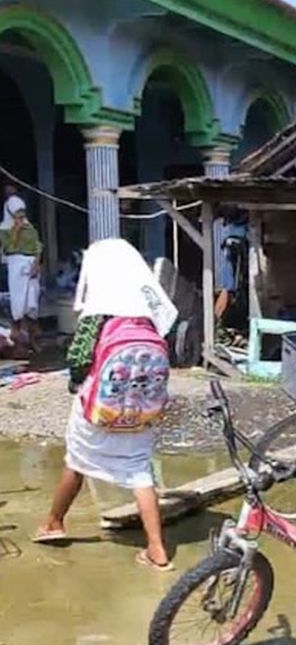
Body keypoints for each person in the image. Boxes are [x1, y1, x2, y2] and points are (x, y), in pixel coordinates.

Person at [33, 238, 179, 571]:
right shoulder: (150, 314)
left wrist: (76, 386)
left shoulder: (97, 315)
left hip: (100, 408)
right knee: (139, 472)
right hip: (140, 409)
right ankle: (157, 549)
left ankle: (54, 523)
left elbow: (79, 361)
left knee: (77, 461)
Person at [1, 200, 42, 349]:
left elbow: (38, 246)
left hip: (31, 266)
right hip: (16, 267)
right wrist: (15, 231)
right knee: (18, 304)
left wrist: (36, 264)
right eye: (17, 214)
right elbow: (8, 248)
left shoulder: (30, 228)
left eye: (22, 213)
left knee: (32, 304)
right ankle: (18, 342)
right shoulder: (3, 230)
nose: (21, 217)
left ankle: (33, 339)